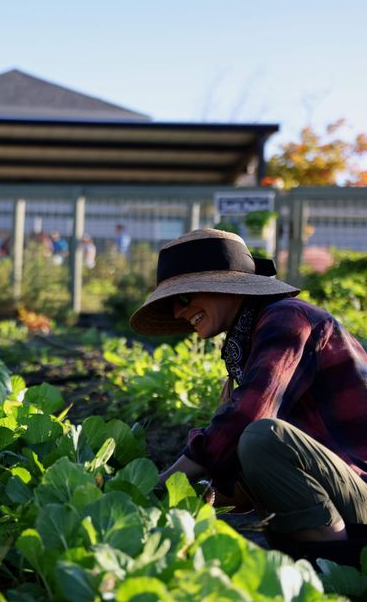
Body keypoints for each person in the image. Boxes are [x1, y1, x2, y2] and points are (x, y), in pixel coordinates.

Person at [130, 228, 367, 565]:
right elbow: (241, 467)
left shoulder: (287, 318)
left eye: (183, 299)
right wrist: (191, 499)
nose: (179, 313)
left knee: (262, 436)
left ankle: (340, 569)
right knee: (253, 440)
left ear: (225, 286)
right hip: (343, 496)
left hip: (360, 496)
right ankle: (309, 565)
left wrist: (161, 484)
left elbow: (249, 417)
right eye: (172, 305)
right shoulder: (246, 346)